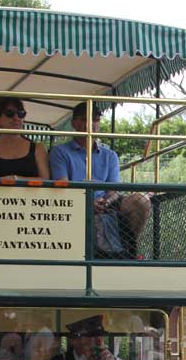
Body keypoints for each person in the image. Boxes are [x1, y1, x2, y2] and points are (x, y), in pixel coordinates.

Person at [50, 103, 149, 259]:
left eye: (96, 120)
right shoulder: (60, 152)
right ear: (74, 123)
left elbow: (113, 190)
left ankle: (129, 248)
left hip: (106, 204)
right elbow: (63, 186)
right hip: (72, 204)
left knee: (141, 200)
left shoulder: (110, 156)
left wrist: (105, 203)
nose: (91, 124)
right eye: (85, 119)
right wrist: (86, 203)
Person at [0, 97, 50, 179]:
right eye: (9, 113)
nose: (16, 118)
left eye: (21, 114)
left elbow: (46, 180)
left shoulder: (38, 148)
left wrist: (15, 179)